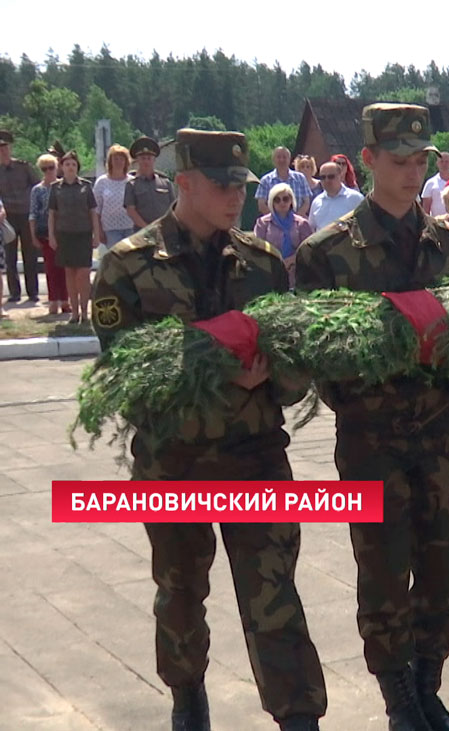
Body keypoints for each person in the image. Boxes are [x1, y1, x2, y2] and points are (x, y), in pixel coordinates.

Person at [90, 128, 327, 731]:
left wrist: (273, 376)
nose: (235, 198)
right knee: (180, 593)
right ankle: (188, 698)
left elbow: (295, 362)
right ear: (185, 183)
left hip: (254, 458)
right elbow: (124, 375)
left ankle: (298, 716)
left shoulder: (263, 263)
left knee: (274, 596)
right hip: (175, 463)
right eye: (222, 185)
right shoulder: (126, 267)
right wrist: (223, 372)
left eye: (241, 186)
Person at [297, 104, 449, 731]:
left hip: (439, 437)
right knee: (381, 568)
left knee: (442, 564)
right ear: (367, 160)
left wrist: (444, 365)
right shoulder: (328, 255)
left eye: (420, 160)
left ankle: (429, 685)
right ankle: (398, 696)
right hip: (371, 441)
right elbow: (318, 354)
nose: (410, 171)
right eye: (397, 160)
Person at [48, 150, 101, 324]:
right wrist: (52, 236)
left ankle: (85, 312)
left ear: (77, 167)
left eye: (73, 164)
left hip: (83, 235)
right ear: (62, 167)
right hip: (64, 235)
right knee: (69, 274)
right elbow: (52, 214)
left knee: (83, 275)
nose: (70, 167)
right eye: (67, 164)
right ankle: (75, 312)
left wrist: (96, 234)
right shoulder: (56, 188)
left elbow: (93, 212)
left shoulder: (86, 186)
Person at [0, 130, 41, 303]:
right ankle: (14, 293)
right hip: (6, 218)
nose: (3, 151)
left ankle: (32, 292)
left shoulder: (23, 167)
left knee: (30, 255)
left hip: (25, 215)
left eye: (5, 147)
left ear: (10, 148)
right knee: (10, 257)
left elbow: (36, 186)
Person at [28, 153, 69, 316]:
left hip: (64, 232)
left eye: (51, 167)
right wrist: (32, 236)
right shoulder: (37, 190)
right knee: (51, 268)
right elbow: (32, 214)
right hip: (44, 233)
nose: (48, 171)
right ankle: (53, 301)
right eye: (44, 169)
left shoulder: (64, 186)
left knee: (65, 268)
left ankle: (65, 301)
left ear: (57, 167)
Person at [254, 183, 314, 288]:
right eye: (277, 200)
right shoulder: (263, 223)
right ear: (272, 203)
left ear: (291, 201)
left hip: (297, 273)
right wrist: (278, 261)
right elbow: (257, 249)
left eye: (285, 199)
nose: (282, 203)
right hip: (271, 272)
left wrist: (292, 260)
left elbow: (308, 250)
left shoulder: (302, 224)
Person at [124, 136, 176, 230]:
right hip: (142, 232)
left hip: (164, 230)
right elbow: (131, 211)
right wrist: (147, 228)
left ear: (154, 160)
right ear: (138, 160)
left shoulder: (165, 183)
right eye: (143, 158)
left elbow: (173, 208)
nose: (146, 161)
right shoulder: (131, 185)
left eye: (149, 158)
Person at [94, 144, 137, 253]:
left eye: (121, 159)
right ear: (110, 161)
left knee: (130, 258)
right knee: (117, 258)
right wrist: (98, 231)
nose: (118, 162)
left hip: (130, 227)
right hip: (110, 229)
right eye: (115, 159)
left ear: (126, 161)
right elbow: (96, 210)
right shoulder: (102, 182)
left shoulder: (132, 181)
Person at [307, 161, 364, 230]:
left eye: (331, 177)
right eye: (323, 177)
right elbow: (311, 228)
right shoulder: (316, 202)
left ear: (340, 176)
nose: (327, 180)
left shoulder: (355, 198)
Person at [256, 147, 312, 217]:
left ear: (289, 159)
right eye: (278, 157)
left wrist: (295, 220)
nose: (282, 160)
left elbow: (306, 202)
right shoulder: (265, 180)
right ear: (273, 160)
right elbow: (261, 205)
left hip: (297, 224)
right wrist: (276, 220)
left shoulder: (300, 178)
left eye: (284, 157)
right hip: (273, 224)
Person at [420, 151, 449, 216]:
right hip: (436, 222)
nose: (444, 164)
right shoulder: (430, 183)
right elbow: (426, 209)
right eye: (441, 162)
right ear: (437, 164)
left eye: (447, 162)